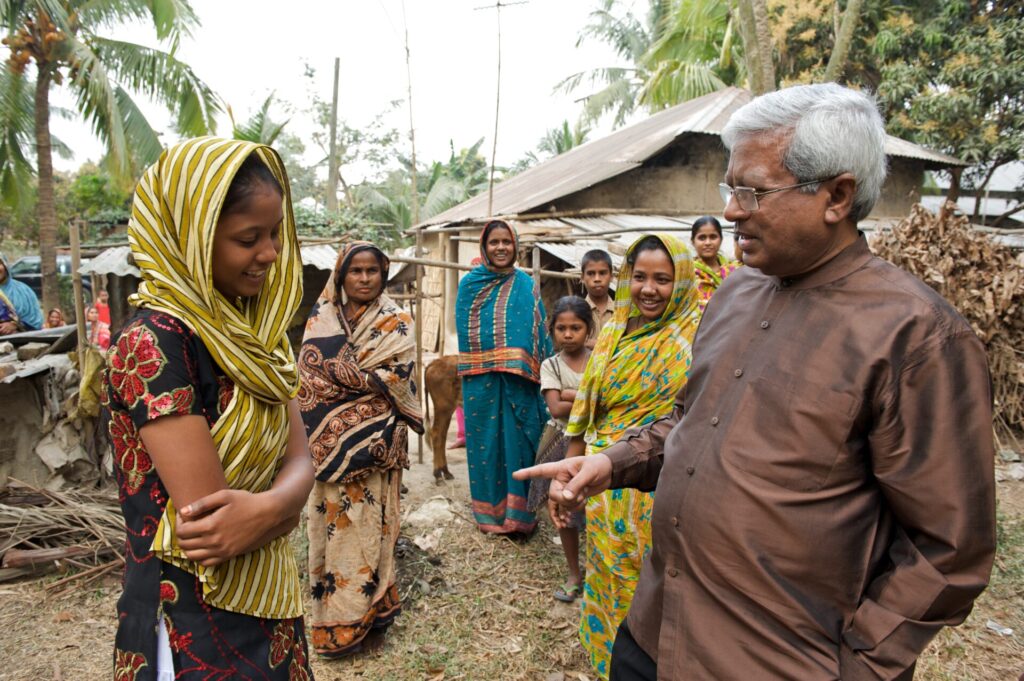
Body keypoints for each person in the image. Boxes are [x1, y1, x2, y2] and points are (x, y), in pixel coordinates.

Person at [516, 83, 996, 680]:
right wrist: (613, 463)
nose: (732, 210)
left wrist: (862, 666)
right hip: (651, 630)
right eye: (729, 188)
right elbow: (690, 425)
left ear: (837, 196)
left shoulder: (916, 338)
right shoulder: (734, 295)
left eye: (752, 191)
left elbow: (949, 550)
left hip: (770, 662)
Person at [102, 138, 314, 680]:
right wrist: (286, 506)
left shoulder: (257, 335)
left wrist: (270, 511)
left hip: (268, 600)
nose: (270, 253)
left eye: (274, 234)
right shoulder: (154, 344)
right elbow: (213, 526)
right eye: (249, 239)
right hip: (193, 617)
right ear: (192, 239)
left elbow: (301, 462)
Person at [561, 234, 699, 679]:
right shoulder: (616, 328)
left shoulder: (694, 336)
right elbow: (586, 406)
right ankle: (607, 660)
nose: (649, 288)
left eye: (663, 278)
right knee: (606, 570)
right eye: (640, 276)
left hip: (654, 482)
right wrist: (569, 474)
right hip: (602, 480)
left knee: (651, 583)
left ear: (680, 282)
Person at [298, 241, 423, 658]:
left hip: (377, 445)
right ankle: (336, 616)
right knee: (333, 531)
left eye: (373, 271)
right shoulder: (321, 318)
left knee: (374, 527)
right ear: (341, 275)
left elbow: (398, 378)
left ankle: (370, 612)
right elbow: (310, 378)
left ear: (383, 274)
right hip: (328, 454)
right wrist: (355, 384)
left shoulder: (397, 320)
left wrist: (347, 386)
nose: (365, 278)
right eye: (357, 271)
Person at [455, 219, 553, 535]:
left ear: (515, 246)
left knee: (520, 444)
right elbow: (466, 334)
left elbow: (541, 334)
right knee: (485, 447)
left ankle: (520, 517)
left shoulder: (526, 285)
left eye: (506, 242)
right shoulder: (469, 285)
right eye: (494, 242)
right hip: (481, 383)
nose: (500, 248)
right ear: (484, 247)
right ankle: (489, 516)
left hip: (521, 384)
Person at [526, 295, 593, 603]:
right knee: (566, 508)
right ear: (552, 331)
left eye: (576, 328)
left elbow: (605, 400)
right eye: (561, 328)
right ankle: (574, 573)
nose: (568, 334)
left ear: (588, 329)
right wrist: (588, 396)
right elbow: (554, 408)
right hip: (561, 440)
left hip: (596, 444)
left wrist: (569, 393)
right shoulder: (550, 364)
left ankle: (598, 572)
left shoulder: (600, 359)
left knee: (597, 509)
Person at [690, 215, 740, 314]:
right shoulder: (689, 273)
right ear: (693, 242)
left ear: (721, 239)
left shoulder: (735, 269)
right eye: (702, 238)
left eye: (713, 237)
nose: (708, 242)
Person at [580, 249, 614, 348]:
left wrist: (594, 344)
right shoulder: (577, 312)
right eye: (591, 273)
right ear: (582, 277)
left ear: (611, 276)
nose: (597, 279)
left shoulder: (622, 312)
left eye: (602, 273)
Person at [0, 253, 42, 332]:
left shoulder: (23, 291)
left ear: (6, 266)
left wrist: (15, 325)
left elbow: (35, 321)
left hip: (20, 341)